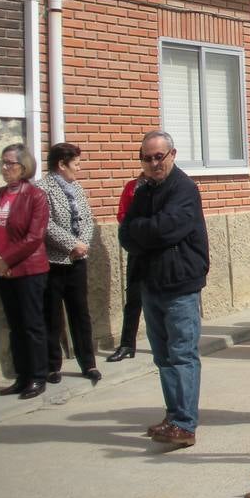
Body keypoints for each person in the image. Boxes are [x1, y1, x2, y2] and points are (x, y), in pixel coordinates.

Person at [119, 130, 209, 448]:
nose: (154, 163)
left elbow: (167, 229)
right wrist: (145, 231)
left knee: (182, 354)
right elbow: (125, 234)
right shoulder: (143, 191)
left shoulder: (183, 188)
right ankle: (173, 416)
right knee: (163, 358)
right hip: (151, 284)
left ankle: (185, 424)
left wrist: (143, 230)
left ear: (172, 154)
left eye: (160, 156)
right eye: (148, 158)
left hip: (180, 284)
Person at [0, 144, 51, 399]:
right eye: (2, 162)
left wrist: (6, 260)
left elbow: (34, 237)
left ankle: (38, 376)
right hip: (3, 270)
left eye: (10, 163)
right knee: (15, 325)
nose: (4, 168)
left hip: (29, 269)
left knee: (31, 324)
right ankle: (21, 376)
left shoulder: (35, 196)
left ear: (23, 166)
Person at [37, 142, 101, 385]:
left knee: (80, 313)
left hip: (77, 260)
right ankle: (53, 366)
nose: (79, 167)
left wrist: (82, 244)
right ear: (61, 164)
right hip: (54, 261)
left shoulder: (77, 188)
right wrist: (69, 244)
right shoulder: (42, 189)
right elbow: (45, 224)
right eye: (75, 163)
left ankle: (89, 363)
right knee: (52, 314)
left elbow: (87, 218)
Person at [107, 174, 145, 362]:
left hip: (161, 250)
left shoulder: (169, 186)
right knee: (133, 299)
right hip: (138, 250)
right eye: (146, 158)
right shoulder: (132, 187)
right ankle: (127, 344)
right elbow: (122, 214)